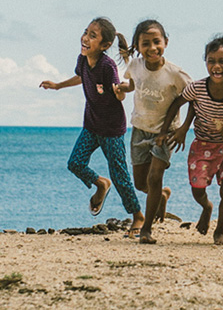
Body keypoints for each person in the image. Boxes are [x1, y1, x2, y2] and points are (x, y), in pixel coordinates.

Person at [39, 17, 144, 235]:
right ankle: (100, 184)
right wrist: (58, 86)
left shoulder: (108, 66)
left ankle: (138, 216)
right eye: (86, 32)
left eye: (92, 36)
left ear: (105, 45)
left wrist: (121, 92)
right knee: (75, 163)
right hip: (91, 125)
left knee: (120, 175)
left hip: (112, 130)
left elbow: (119, 90)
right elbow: (80, 76)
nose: (85, 38)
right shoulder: (83, 59)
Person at [159, 34, 223, 245]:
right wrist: (170, 130)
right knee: (197, 188)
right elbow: (177, 104)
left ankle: (220, 231)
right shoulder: (197, 88)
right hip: (202, 145)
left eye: (222, 61)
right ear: (206, 63)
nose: (216, 66)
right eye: (211, 61)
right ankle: (207, 207)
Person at [114, 19, 192, 244]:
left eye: (156, 42)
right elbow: (132, 84)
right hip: (139, 129)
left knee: (155, 176)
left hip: (165, 133)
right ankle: (162, 196)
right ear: (138, 47)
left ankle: (147, 229)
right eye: (145, 43)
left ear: (165, 42)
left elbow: (193, 98)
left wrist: (184, 129)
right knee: (140, 184)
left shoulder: (175, 73)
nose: (152, 48)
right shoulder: (135, 66)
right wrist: (122, 88)